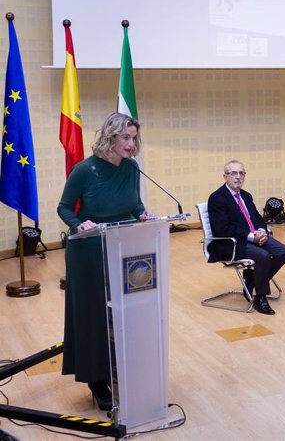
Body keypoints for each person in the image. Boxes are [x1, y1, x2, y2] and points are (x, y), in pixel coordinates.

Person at [57, 113, 154, 411]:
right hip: (89, 251)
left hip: (124, 247)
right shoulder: (85, 170)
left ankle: (122, 367)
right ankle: (97, 380)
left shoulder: (132, 168)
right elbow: (64, 208)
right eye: (126, 137)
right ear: (110, 137)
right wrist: (79, 224)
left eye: (134, 138)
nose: (131, 143)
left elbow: (134, 202)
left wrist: (142, 213)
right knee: (94, 315)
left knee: (124, 312)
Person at [207, 160, 285, 314]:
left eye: (241, 173)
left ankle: (252, 279)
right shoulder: (217, 198)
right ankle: (260, 298)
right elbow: (222, 229)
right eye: (233, 173)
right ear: (225, 176)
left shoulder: (246, 196)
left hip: (254, 238)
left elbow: (257, 218)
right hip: (232, 243)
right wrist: (251, 236)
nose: (238, 177)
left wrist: (261, 230)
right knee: (263, 256)